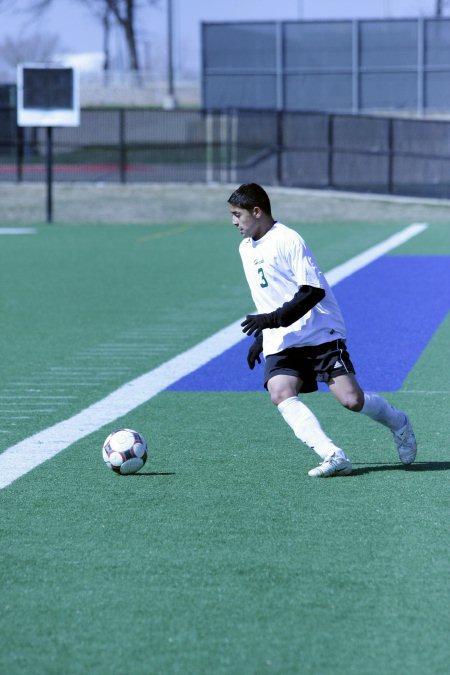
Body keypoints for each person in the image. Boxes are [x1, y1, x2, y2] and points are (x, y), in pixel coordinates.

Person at [228, 183, 417, 477]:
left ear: (256, 211)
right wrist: (263, 337)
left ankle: (398, 422)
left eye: (237, 214)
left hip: (319, 332)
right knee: (279, 391)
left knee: (351, 400)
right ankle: (332, 454)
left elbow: (311, 292)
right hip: (284, 337)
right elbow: (270, 298)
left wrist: (271, 321)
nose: (234, 222)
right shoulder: (245, 249)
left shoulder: (288, 240)